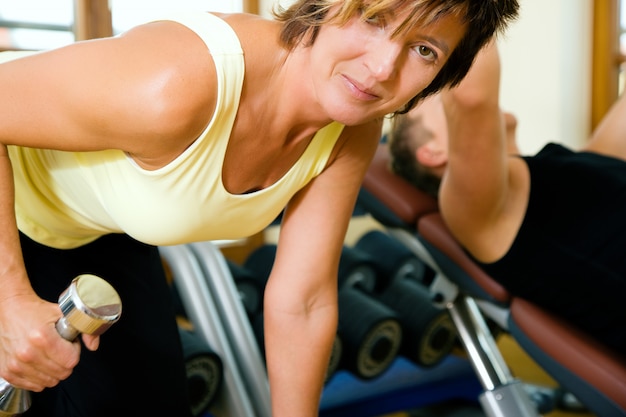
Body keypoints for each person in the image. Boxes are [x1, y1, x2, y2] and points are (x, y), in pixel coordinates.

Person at [0, 1, 520, 416]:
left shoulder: (351, 125)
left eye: (425, 50)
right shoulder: (178, 81)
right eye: (375, 17)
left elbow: (305, 298)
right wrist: (12, 301)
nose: (383, 67)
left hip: (96, 228)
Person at [389, 37, 626, 356]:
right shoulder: (478, 216)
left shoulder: (566, 172)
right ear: (433, 152)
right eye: (438, 94)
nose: (450, 87)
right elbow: (472, 98)